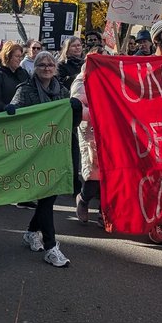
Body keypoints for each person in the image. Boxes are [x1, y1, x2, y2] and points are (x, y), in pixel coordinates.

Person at [10, 50, 71, 267]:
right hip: (33, 154)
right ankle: (51, 246)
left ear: (55, 67)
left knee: (48, 198)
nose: (46, 68)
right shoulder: (25, 90)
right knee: (46, 198)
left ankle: (31, 233)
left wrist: (74, 109)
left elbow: (68, 121)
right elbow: (14, 115)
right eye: (41, 65)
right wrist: (11, 111)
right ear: (34, 68)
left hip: (54, 152)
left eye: (50, 64)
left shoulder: (63, 91)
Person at [71, 59, 100, 224]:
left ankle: (105, 213)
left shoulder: (112, 78)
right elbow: (77, 107)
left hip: (110, 131)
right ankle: (83, 199)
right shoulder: (82, 81)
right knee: (93, 175)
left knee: (111, 175)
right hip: (90, 133)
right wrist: (98, 113)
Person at [0, 40, 29, 113]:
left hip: (19, 117)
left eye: (21, 56)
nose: (20, 59)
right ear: (7, 56)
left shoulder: (23, 73)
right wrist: (6, 107)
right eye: (17, 56)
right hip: (1, 119)